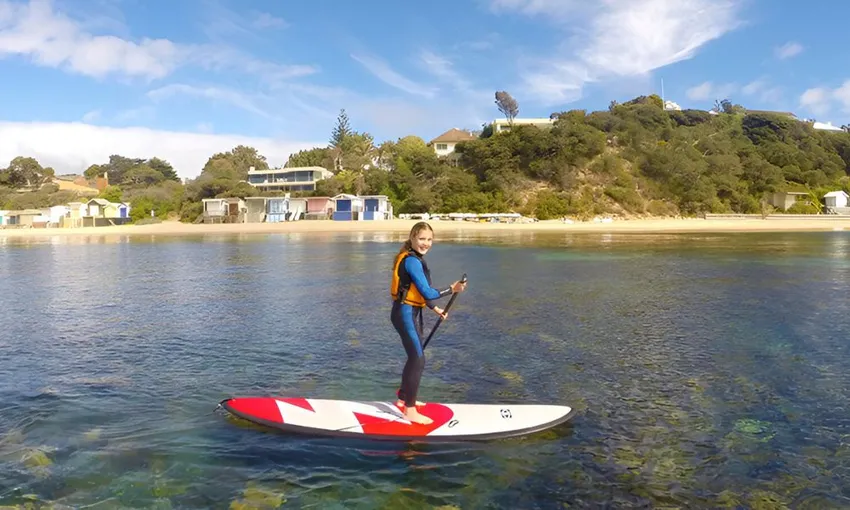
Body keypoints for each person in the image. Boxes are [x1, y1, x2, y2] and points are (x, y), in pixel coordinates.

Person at [390, 221, 466, 425]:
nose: (426, 243)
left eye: (429, 239)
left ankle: (403, 398)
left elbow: (418, 293)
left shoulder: (414, 258)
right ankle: (410, 410)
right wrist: (452, 289)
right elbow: (427, 292)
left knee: (415, 356)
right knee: (418, 359)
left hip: (409, 311)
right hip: (405, 313)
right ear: (412, 238)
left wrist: (435, 308)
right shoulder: (412, 261)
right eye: (421, 239)